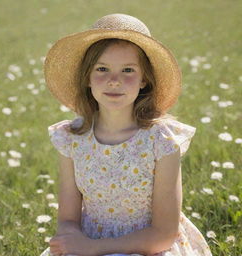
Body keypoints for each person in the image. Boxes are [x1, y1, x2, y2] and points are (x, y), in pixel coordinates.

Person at [40, 13, 212, 256]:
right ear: (87, 78)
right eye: (102, 69)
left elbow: (163, 233)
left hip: (148, 247)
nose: (114, 81)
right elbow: (68, 219)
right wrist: (74, 240)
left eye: (128, 70)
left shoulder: (161, 140)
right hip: (87, 241)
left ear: (144, 80)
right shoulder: (72, 138)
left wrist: (94, 248)